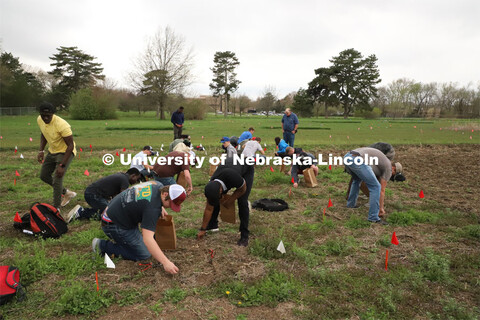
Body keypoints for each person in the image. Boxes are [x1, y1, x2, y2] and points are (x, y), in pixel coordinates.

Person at [92, 183, 186, 274]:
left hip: (113, 211)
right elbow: (148, 239)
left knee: (147, 244)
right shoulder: (152, 209)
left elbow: (145, 200)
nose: (170, 206)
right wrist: (166, 262)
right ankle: (102, 246)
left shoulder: (158, 185)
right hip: (113, 224)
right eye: (171, 203)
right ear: (165, 194)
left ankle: (126, 240)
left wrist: (160, 206)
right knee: (144, 254)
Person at [197, 158, 254, 246]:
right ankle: (212, 225)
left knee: (242, 201)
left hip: (246, 167)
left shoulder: (231, 176)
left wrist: (230, 201)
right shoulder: (212, 184)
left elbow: (242, 189)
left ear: (221, 190)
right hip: (230, 167)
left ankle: (244, 235)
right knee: (215, 200)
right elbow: (209, 208)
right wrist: (203, 229)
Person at [344, 147, 404, 225]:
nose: (391, 176)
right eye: (393, 174)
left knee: (356, 180)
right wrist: (381, 208)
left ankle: (351, 204)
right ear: (394, 169)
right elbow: (382, 190)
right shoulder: (388, 168)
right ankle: (373, 217)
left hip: (347, 157)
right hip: (358, 159)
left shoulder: (382, 161)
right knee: (376, 187)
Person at [37, 102, 77, 209]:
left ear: (53, 114)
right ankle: (67, 193)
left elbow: (70, 146)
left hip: (65, 151)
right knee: (44, 176)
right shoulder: (39, 120)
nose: (45, 118)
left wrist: (62, 165)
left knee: (57, 177)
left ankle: (56, 208)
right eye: (43, 115)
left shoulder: (62, 125)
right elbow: (44, 133)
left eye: (48, 116)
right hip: (53, 150)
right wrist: (41, 150)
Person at [66, 168, 142, 222]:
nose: (136, 182)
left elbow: (116, 197)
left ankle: (83, 211)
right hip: (93, 195)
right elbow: (123, 198)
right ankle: (82, 212)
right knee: (109, 215)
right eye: (137, 179)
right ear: (133, 176)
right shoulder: (125, 180)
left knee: (110, 210)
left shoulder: (122, 176)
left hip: (91, 193)